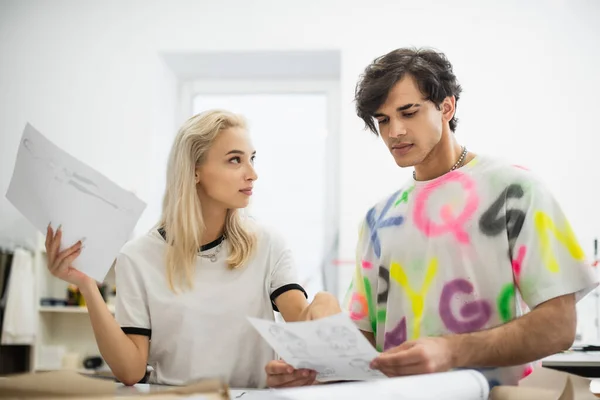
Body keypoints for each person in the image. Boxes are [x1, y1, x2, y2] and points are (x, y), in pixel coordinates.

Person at [265, 47, 598, 388]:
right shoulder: (379, 219)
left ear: (446, 107)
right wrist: (313, 369)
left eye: (408, 112)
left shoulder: (515, 190)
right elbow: (365, 344)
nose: (394, 131)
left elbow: (558, 327)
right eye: (383, 120)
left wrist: (452, 351)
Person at [44, 109, 339, 388]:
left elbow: (301, 323)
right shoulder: (137, 257)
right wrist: (87, 286)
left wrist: (324, 306)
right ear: (194, 170)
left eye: (252, 158)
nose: (252, 173)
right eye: (235, 160)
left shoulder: (268, 245)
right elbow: (130, 370)